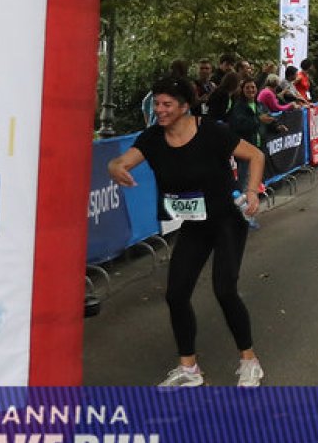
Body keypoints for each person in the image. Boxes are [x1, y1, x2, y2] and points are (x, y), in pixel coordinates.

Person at [107, 77, 266, 387]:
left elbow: (256, 155)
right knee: (176, 294)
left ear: (184, 106)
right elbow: (120, 162)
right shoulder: (153, 137)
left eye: (166, 104)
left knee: (225, 289)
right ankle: (189, 368)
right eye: (156, 103)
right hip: (195, 223)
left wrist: (252, 191)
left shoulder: (211, 132)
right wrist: (115, 168)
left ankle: (249, 361)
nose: (159, 110)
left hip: (227, 219)